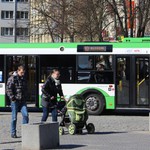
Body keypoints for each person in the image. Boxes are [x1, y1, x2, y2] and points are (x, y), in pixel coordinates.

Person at [6, 65, 29, 138]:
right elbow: (8, 89)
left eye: (23, 72)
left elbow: (25, 88)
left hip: (22, 101)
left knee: (25, 115)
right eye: (22, 72)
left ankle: (25, 132)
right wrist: (12, 98)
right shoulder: (12, 78)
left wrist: (26, 96)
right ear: (18, 71)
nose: (23, 74)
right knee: (14, 118)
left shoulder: (23, 78)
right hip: (15, 101)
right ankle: (13, 132)